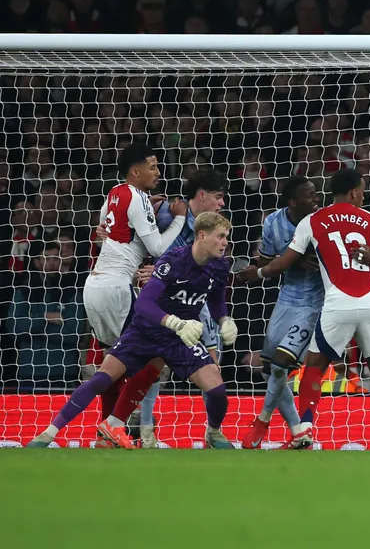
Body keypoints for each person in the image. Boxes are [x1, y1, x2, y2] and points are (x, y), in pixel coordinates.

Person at [28, 213, 236, 449]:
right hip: (146, 331)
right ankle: (47, 434)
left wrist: (224, 319)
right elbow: (144, 303)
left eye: (226, 237)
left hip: (180, 338)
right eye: (220, 236)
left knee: (217, 391)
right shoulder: (174, 260)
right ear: (202, 235)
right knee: (101, 379)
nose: (225, 242)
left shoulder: (220, 266)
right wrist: (175, 322)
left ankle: (213, 434)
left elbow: (217, 298)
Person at [235, 168, 370, 451]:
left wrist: (257, 274)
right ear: (355, 192)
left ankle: (303, 430)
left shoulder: (312, 221)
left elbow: (281, 264)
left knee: (313, 367)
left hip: (334, 303)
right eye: (363, 189)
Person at [111, 168, 229, 448]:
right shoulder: (165, 214)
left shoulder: (215, 224)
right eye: (218, 197)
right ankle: (146, 426)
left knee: (212, 363)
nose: (221, 204)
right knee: (154, 361)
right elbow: (137, 242)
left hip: (197, 299)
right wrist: (149, 268)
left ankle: (213, 430)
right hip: (164, 298)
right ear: (201, 196)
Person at [81, 142, 188, 438]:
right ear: (136, 171)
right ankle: (119, 425)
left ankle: (107, 432)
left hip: (94, 287)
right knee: (154, 357)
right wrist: (178, 218)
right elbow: (157, 248)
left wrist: (145, 210)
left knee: (111, 365)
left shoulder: (114, 192)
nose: (158, 172)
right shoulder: (138, 198)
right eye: (153, 167)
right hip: (117, 287)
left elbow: (103, 226)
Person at [241, 175, 322, 449]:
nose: (316, 199)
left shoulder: (322, 221)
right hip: (286, 299)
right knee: (269, 369)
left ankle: (262, 421)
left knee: (280, 364)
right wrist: (259, 267)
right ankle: (299, 432)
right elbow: (266, 259)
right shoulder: (273, 222)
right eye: (309, 195)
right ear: (292, 201)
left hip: (314, 303)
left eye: (316, 193)